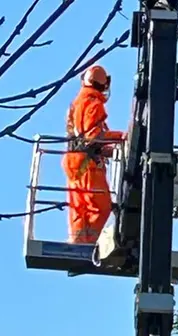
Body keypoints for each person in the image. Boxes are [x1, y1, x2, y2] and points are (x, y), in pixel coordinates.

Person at [62, 64, 127, 244]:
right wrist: (121, 136)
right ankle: (90, 241)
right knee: (101, 206)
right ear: (103, 85)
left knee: (79, 207)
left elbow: (83, 136)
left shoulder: (78, 102)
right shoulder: (93, 103)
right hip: (87, 164)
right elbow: (93, 136)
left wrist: (106, 149)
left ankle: (77, 240)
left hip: (73, 160)